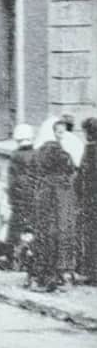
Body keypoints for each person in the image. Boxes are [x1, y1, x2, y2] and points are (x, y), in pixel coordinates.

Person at [31, 118, 79, 291]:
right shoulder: (60, 153)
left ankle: (42, 275)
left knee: (45, 234)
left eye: (63, 131)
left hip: (45, 195)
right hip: (59, 196)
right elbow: (72, 169)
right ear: (51, 132)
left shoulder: (38, 152)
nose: (62, 135)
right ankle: (58, 275)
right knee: (60, 233)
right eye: (58, 131)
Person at [8, 123, 38, 275]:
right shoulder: (37, 154)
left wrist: (11, 198)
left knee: (18, 228)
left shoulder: (15, 156)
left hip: (19, 197)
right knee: (31, 228)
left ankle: (16, 260)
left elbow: (11, 180)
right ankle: (29, 257)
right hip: (33, 197)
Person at [77, 118, 97, 283]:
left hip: (91, 201)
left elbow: (81, 177)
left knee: (91, 236)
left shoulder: (90, 150)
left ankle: (93, 273)